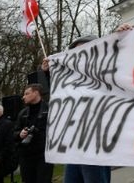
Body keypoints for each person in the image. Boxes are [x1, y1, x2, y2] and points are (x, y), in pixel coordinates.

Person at [42, 35, 112, 183]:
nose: (78, 54)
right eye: (75, 51)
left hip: (95, 141)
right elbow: (59, 93)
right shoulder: (71, 76)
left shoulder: (104, 71)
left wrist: (123, 34)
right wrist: (49, 72)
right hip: (74, 143)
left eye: (83, 49)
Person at [14, 84, 53, 183]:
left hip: (44, 155)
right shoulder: (22, 113)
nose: (23, 97)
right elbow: (14, 133)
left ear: (36, 93)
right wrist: (20, 134)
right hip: (26, 155)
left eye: (27, 93)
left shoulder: (50, 109)